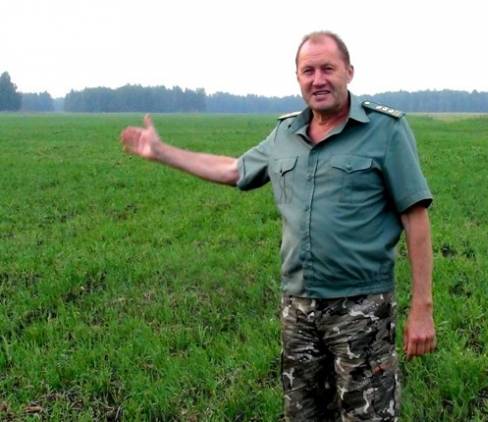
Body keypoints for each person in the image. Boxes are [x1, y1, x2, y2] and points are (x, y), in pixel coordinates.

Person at [120, 31, 436, 421]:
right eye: (308, 71)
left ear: (349, 72)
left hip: (362, 308)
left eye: (327, 69)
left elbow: (415, 217)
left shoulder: (386, 130)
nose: (318, 80)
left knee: (368, 416)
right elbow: (233, 169)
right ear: (298, 77)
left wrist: (422, 307)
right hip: (297, 308)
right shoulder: (285, 134)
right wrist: (162, 152)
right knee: (301, 414)